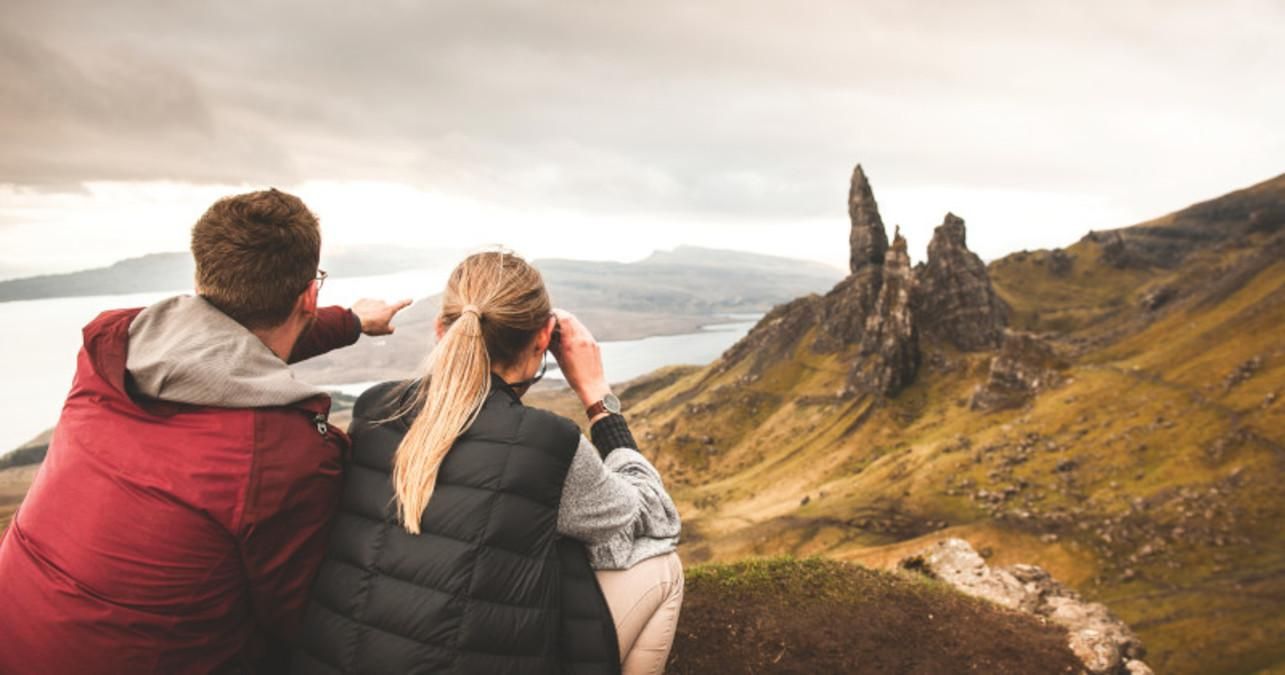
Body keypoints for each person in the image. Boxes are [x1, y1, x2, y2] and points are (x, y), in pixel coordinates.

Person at [0, 189, 411, 674]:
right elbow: (301, 619)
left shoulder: (110, 351)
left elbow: (228, 348)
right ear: (308, 293)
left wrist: (350, 323)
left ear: (201, 280)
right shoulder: (279, 452)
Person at [292, 251, 684, 675]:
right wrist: (597, 398)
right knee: (663, 569)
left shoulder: (375, 409)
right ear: (544, 337)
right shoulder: (548, 445)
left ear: (441, 330)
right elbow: (657, 517)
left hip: (328, 660)